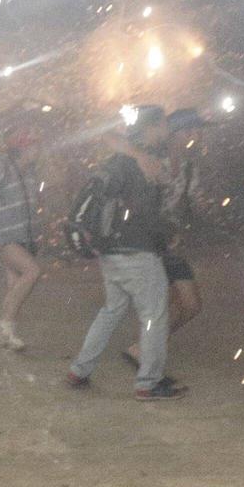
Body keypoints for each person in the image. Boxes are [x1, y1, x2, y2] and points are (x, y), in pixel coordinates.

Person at [65, 105, 187, 400]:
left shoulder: (121, 158)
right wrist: (166, 236)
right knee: (154, 315)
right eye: (163, 126)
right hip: (138, 251)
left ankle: (79, 369)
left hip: (110, 250)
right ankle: (148, 383)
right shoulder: (145, 162)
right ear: (153, 127)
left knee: (111, 310)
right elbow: (145, 213)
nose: (166, 132)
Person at [125, 107, 206, 372]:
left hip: (171, 243)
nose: (195, 136)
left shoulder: (189, 165)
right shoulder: (150, 157)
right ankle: (145, 354)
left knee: (189, 305)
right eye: (190, 131)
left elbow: (192, 202)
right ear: (174, 132)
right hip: (150, 240)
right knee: (165, 302)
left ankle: (144, 346)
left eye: (197, 131)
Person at [0, 127, 42, 350]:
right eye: (34, 146)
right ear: (22, 149)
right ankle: (3, 327)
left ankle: (7, 333)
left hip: (20, 236)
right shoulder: (0, 168)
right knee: (32, 271)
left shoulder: (30, 172)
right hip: (2, 235)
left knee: (14, 283)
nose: (38, 150)